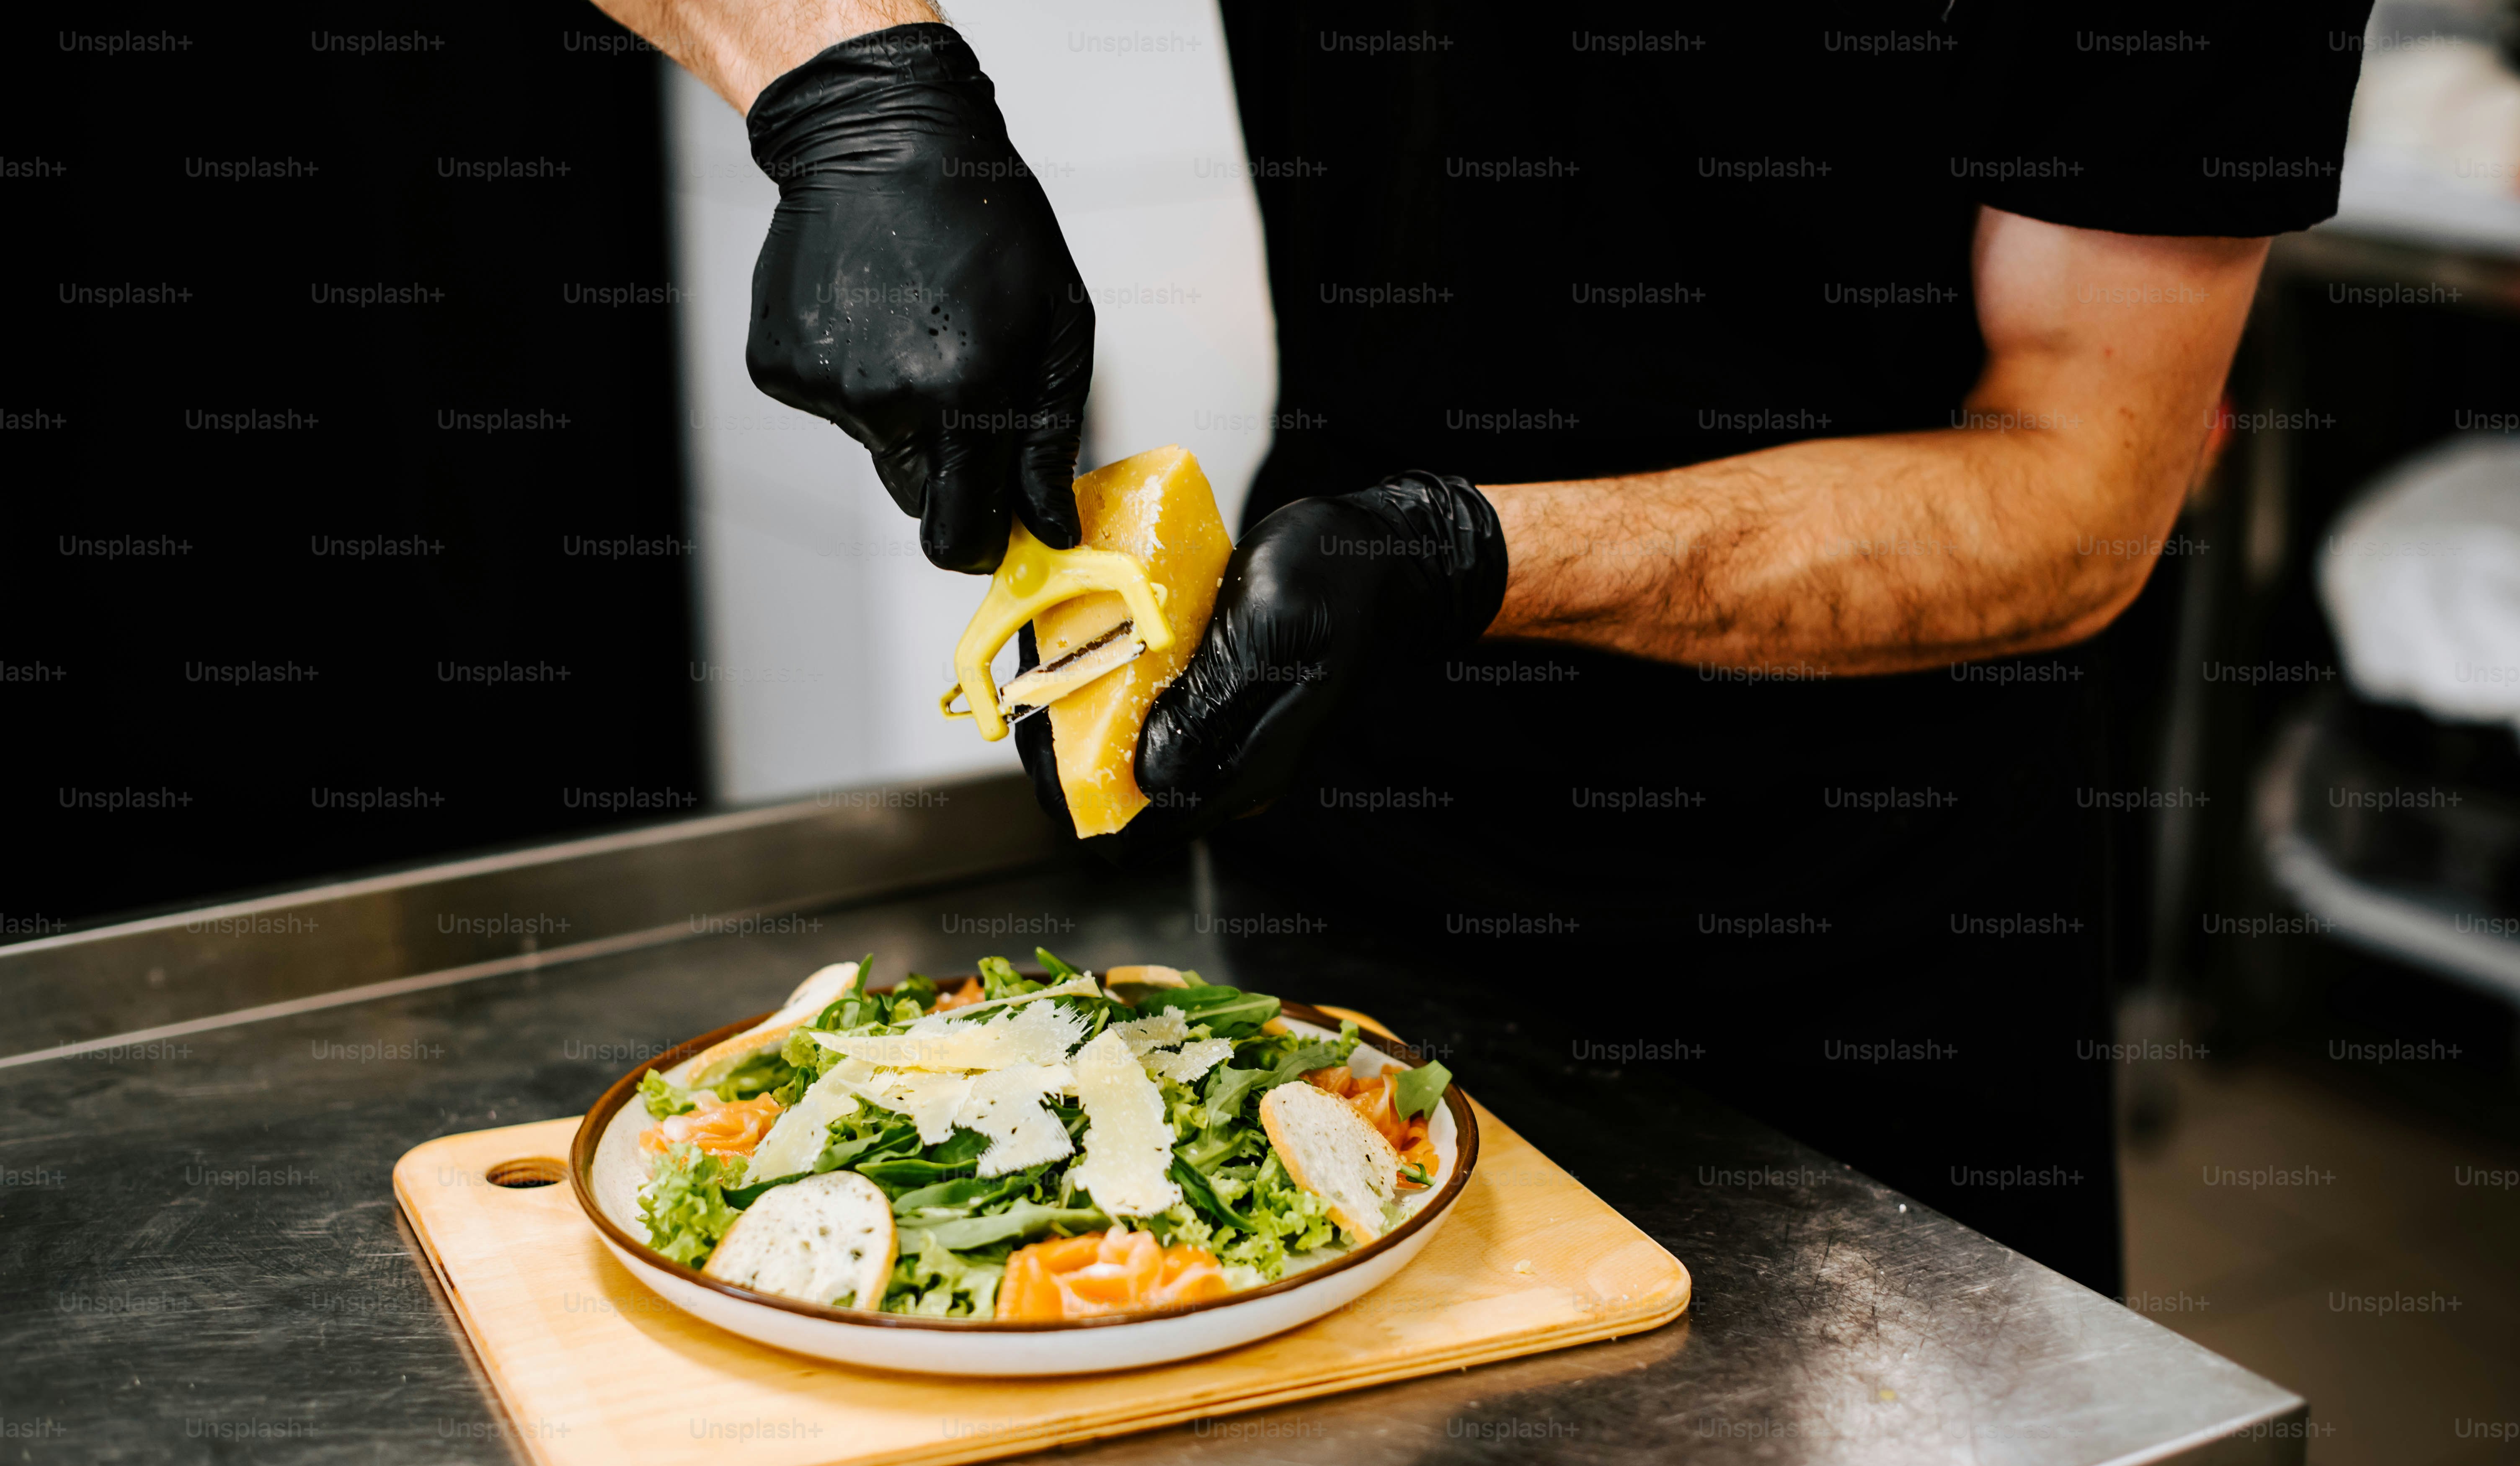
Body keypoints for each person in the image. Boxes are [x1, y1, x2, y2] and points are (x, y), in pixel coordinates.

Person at [597, 0, 2372, 1294]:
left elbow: (2082, 486)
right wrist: (854, 91)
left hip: (1867, 925)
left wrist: (1472, 552)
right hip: (1356, 838)